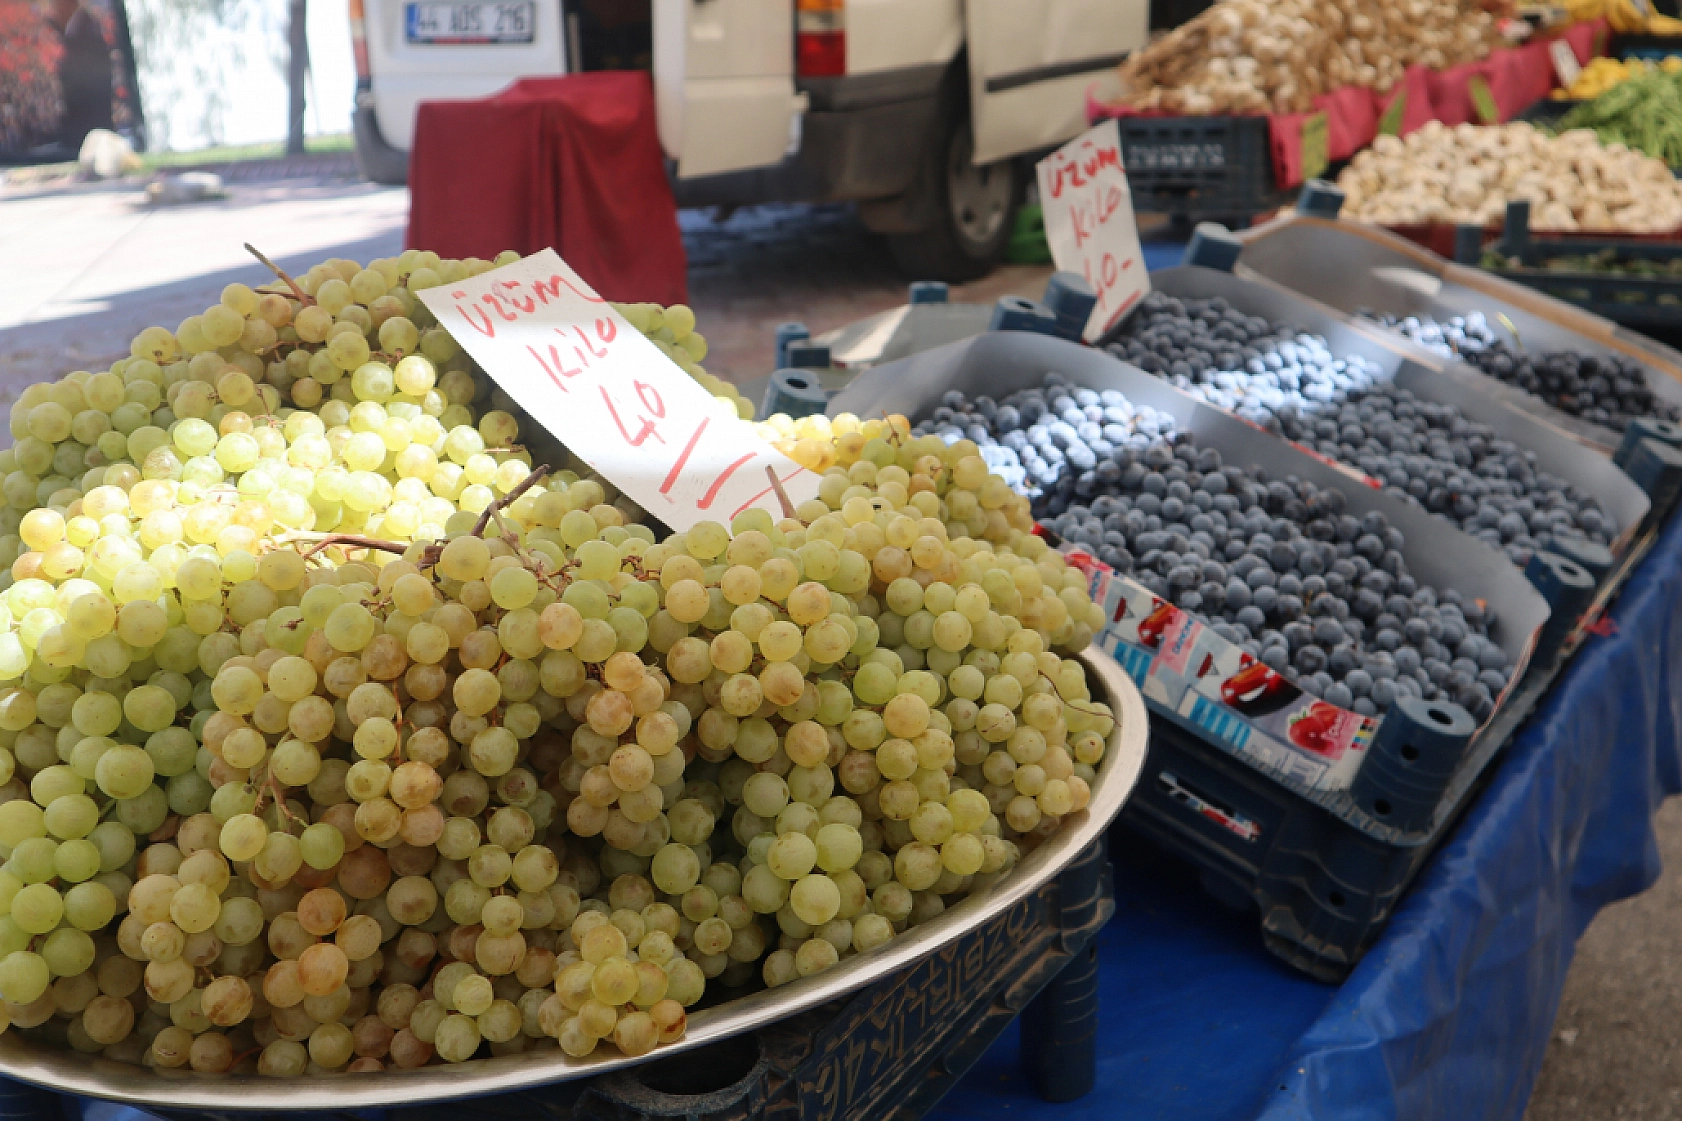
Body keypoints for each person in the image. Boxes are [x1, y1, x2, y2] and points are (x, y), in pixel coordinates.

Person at [47, 0, 112, 150]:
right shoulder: (77, 28)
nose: (51, 11)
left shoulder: (87, 30)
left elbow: (86, 87)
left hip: (87, 132)